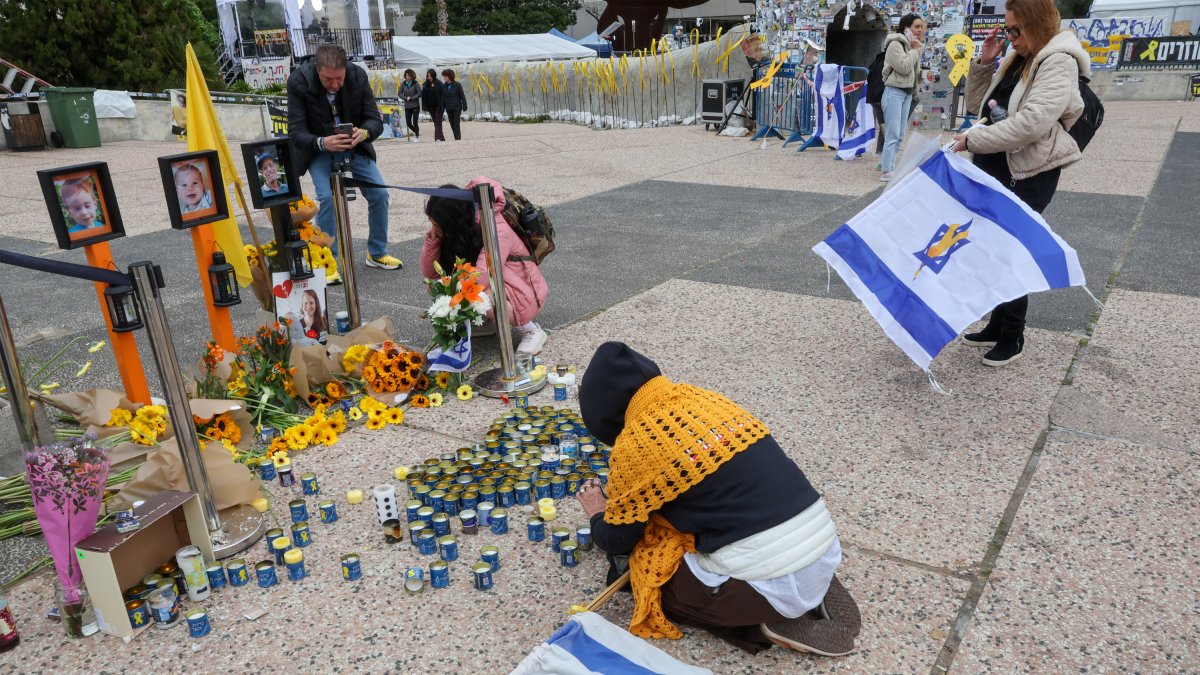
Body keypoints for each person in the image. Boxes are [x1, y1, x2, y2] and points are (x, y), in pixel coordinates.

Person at [574, 342, 860, 656]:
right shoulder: (705, 400)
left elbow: (616, 539)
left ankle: (767, 620)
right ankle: (811, 583)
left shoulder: (637, 441)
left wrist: (597, 512)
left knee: (647, 572)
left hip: (766, 575)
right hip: (821, 543)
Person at [952, 0, 1088, 366]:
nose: (1010, 37)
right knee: (991, 250)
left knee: (1008, 252)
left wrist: (973, 141)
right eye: (1007, 30)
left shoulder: (1058, 60)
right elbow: (981, 107)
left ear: (1037, 24)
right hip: (999, 168)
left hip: (1028, 173)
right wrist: (984, 62)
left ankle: (1013, 335)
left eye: (1016, 30)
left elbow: (1032, 123)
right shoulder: (1021, 57)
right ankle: (997, 324)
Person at [287, 43, 402, 271]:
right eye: (328, 79)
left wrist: (364, 133)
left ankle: (377, 253)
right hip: (319, 150)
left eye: (339, 78)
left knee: (380, 194)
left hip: (354, 148)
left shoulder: (357, 75)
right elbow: (295, 131)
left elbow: (374, 120)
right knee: (327, 199)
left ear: (346, 69)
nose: (335, 85)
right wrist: (321, 142)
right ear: (317, 70)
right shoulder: (298, 81)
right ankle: (328, 260)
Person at [419, 177, 548, 355]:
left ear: (451, 221)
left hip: (521, 288)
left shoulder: (495, 227)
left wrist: (451, 291)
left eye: (436, 224)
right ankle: (486, 323)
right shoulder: (457, 228)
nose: (435, 227)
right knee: (438, 284)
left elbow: (482, 276)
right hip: (497, 280)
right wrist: (433, 239)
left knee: (483, 294)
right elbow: (429, 272)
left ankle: (530, 329)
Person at [879, 13, 924, 182]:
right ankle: (886, 171)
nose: (920, 30)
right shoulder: (895, 44)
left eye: (921, 27)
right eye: (916, 27)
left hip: (907, 93)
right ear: (907, 28)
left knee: (899, 134)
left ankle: (891, 166)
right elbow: (904, 67)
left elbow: (913, 72)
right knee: (892, 133)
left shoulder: (913, 46)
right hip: (894, 92)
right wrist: (914, 50)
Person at [441, 69, 468, 141]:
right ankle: (456, 137)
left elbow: (462, 96)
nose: (444, 78)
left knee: (456, 124)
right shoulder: (444, 86)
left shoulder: (457, 85)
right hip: (448, 108)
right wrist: (443, 107)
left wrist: (464, 105)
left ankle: (458, 138)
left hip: (457, 107)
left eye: (445, 76)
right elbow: (443, 97)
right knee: (452, 124)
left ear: (449, 76)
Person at [421, 69, 445, 142]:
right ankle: (441, 138)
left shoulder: (439, 83)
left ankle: (437, 138)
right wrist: (424, 106)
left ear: (434, 76)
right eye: (428, 76)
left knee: (438, 121)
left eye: (431, 76)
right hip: (431, 107)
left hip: (439, 106)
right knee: (436, 122)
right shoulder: (425, 85)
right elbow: (423, 97)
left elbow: (443, 95)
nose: (429, 77)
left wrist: (443, 105)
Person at [399, 69, 421, 142]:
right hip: (407, 106)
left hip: (415, 106)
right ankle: (416, 131)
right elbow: (400, 93)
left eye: (408, 75)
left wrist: (412, 98)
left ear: (412, 76)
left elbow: (419, 93)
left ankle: (416, 136)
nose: (406, 77)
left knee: (415, 122)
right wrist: (405, 98)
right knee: (408, 123)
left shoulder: (415, 83)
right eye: (406, 75)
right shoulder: (403, 84)